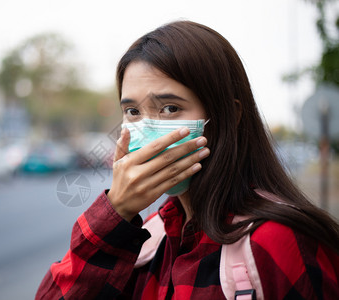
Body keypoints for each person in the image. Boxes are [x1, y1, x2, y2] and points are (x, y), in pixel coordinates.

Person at [36, 20, 339, 299]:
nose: (148, 129)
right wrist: (116, 211)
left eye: (169, 108)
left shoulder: (276, 241)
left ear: (229, 116)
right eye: (133, 112)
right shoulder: (149, 240)